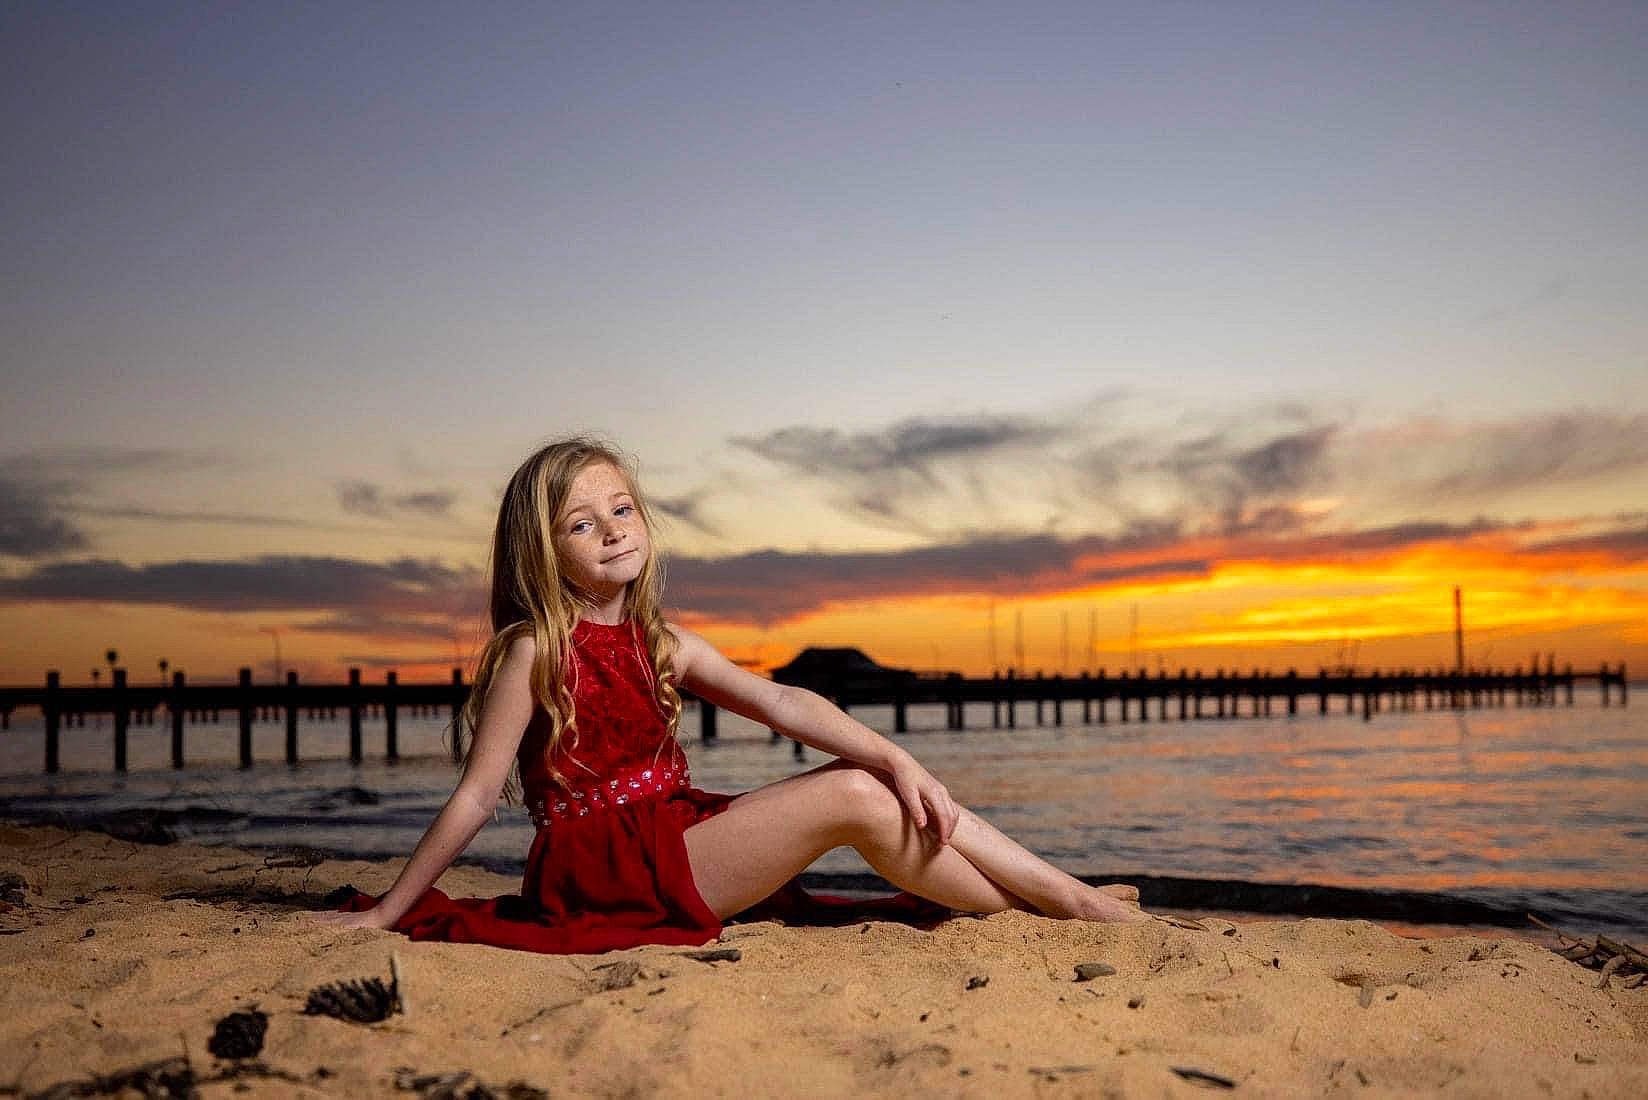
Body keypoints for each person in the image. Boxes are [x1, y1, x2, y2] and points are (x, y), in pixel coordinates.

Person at [314, 437, 1150, 953]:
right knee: (858, 792)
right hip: (604, 869)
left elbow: (784, 703)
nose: (612, 529)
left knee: (884, 789)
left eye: (621, 507)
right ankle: (1064, 900)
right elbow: (473, 796)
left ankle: (1054, 898)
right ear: (543, 549)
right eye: (581, 522)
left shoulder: (661, 643)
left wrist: (902, 754)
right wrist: (391, 911)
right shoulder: (535, 649)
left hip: (675, 834)